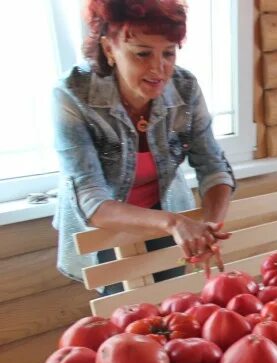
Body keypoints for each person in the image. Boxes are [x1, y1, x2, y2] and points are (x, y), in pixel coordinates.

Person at [52, 0, 235, 294]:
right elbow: (90, 199)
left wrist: (210, 227)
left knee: (171, 305)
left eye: (169, 53)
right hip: (108, 226)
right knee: (125, 314)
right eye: (142, 54)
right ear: (109, 49)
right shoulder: (72, 94)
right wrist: (173, 223)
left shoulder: (185, 87)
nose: (159, 69)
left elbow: (213, 165)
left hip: (167, 212)